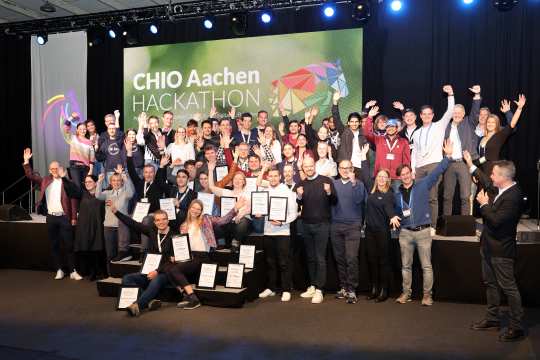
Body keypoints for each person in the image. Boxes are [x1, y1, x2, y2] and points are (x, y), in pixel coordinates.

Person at [462, 152, 525, 341]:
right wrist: (469, 164)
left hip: (501, 251)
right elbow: (485, 181)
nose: (491, 176)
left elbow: (496, 221)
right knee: (490, 284)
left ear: (504, 178)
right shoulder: (501, 190)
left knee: (509, 288)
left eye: (494, 174)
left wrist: (483, 205)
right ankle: (492, 319)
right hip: (489, 247)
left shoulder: (513, 196)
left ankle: (517, 327)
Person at [394, 139, 453, 306]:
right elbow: (393, 211)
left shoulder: (422, 185)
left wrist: (447, 157)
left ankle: (427, 296)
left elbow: (436, 173)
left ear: (411, 173)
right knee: (406, 266)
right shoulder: (396, 194)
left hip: (423, 232)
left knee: (426, 266)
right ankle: (406, 293)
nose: (405, 176)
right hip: (405, 233)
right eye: (402, 174)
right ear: (399, 177)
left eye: (407, 173)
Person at [22, 148, 82, 280]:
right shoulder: (45, 181)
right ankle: (59, 269)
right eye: (52, 169)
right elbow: (30, 175)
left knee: (69, 245)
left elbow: (74, 199)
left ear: (61, 169)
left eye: (57, 168)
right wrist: (26, 162)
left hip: (64, 217)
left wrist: (73, 217)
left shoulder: (67, 182)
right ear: (49, 171)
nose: (55, 171)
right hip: (51, 217)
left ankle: (72, 271)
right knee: (54, 245)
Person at [112, 209, 174, 317]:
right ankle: (149, 301)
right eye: (158, 220)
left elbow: (173, 262)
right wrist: (116, 212)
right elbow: (133, 224)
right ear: (154, 222)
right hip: (149, 270)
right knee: (127, 278)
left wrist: (157, 271)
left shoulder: (174, 236)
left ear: (168, 220)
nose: (161, 222)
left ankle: (138, 305)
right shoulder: (152, 231)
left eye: (164, 219)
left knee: (157, 279)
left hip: (165, 272)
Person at [411, 85, 455, 235]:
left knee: (431, 197)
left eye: (429, 114)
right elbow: (414, 152)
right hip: (419, 167)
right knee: (417, 197)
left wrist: (450, 95)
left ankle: (432, 226)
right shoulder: (416, 133)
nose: (427, 116)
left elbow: (450, 112)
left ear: (433, 115)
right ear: (421, 116)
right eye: (424, 114)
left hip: (434, 165)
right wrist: (412, 168)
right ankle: (419, 223)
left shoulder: (439, 126)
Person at [296, 157, 337, 304]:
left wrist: (328, 192)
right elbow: (299, 203)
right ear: (303, 168)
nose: (308, 168)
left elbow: (334, 201)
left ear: (315, 166)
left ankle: (320, 289)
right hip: (306, 225)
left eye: (310, 166)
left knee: (320, 258)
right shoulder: (300, 184)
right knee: (311, 258)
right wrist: (299, 196)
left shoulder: (326, 181)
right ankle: (313, 286)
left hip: (322, 225)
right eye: (305, 167)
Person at [256, 166, 298, 302]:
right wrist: (258, 213)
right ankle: (271, 288)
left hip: (283, 232)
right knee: (270, 262)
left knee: (284, 262)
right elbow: (261, 209)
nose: (273, 178)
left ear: (280, 177)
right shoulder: (264, 192)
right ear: (267, 178)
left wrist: (281, 222)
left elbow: (294, 214)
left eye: (275, 176)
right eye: (270, 176)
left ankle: (286, 289)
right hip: (268, 232)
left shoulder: (287, 192)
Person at [441, 85, 482, 215]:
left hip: (464, 164)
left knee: (465, 196)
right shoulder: (445, 126)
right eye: (455, 112)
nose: (457, 114)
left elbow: (475, 112)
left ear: (464, 114)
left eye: (459, 112)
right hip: (449, 164)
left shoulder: (468, 123)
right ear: (451, 114)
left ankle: (465, 225)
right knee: (447, 196)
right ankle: (445, 224)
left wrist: (476, 96)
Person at [330, 160, 367, 304]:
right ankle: (344, 287)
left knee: (351, 258)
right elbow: (329, 202)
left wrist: (353, 183)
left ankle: (352, 290)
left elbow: (359, 200)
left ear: (352, 169)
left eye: (348, 168)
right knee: (340, 259)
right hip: (336, 225)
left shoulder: (359, 184)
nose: (345, 170)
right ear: (339, 169)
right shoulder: (333, 184)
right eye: (343, 168)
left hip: (353, 226)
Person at [365, 169, 400, 303]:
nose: (381, 179)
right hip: (369, 231)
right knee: (372, 260)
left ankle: (384, 291)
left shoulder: (389, 194)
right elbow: (365, 173)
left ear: (388, 180)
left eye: (384, 177)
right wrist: (363, 159)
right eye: (379, 176)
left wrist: (392, 216)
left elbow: (389, 208)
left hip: (382, 232)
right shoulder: (371, 191)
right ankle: (374, 289)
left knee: (383, 262)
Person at [125, 143, 167, 252]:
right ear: (143, 173)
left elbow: (161, 173)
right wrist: (129, 152)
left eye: (151, 172)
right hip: (139, 212)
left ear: (154, 173)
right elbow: (131, 170)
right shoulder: (139, 183)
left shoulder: (158, 183)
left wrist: (161, 165)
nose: (148, 175)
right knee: (122, 220)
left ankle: (143, 251)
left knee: (146, 220)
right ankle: (123, 251)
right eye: (146, 172)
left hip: (153, 214)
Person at [65, 174, 106, 281]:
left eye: (90, 182)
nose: (87, 184)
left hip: (98, 226)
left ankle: (101, 271)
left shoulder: (102, 194)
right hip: (85, 227)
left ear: (96, 183)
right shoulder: (82, 194)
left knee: (98, 250)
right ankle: (92, 272)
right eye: (86, 182)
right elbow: (71, 190)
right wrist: (65, 178)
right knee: (87, 250)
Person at [476, 95, 526, 177]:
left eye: (493, 122)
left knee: (490, 190)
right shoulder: (482, 138)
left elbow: (512, 124)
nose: (490, 124)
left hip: (493, 172)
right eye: (488, 122)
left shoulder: (499, 136)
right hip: (481, 171)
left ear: (497, 124)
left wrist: (519, 108)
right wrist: (475, 171)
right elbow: (482, 158)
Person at [208, 160, 252, 251]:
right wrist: (210, 171)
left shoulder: (248, 194)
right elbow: (211, 187)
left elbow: (250, 208)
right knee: (215, 225)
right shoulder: (226, 192)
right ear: (232, 181)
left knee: (242, 223)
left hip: (240, 221)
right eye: (235, 178)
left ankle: (235, 242)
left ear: (244, 182)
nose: (237, 181)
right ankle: (221, 243)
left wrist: (240, 215)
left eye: (240, 179)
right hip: (227, 221)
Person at [95, 165, 135, 265]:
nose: (116, 182)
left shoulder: (126, 193)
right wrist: (99, 182)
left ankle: (119, 275)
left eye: (118, 180)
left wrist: (124, 176)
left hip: (122, 227)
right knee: (110, 253)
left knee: (121, 254)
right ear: (111, 182)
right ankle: (110, 275)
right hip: (108, 226)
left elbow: (131, 193)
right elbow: (98, 195)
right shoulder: (107, 193)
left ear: (121, 182)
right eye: (114, 180)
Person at [363, 109, 410, 192]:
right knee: (382, 199)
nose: (390, 129)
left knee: (397, 201)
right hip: (382, 177)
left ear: (396, 128)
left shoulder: (404, 142)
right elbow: (367, 133)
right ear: (386, 128)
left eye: (392, 127)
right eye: (388, 127)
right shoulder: (379, 139)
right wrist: (370, 117)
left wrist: (405, 175)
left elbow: (406, 160)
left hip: (397, 177)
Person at [332, 91, 371, 188]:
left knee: (359, 190)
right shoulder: (344, 131)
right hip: (346, 167)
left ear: (359, 123)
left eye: (356, 122)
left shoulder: (364, 133)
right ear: (348, 123)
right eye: (352, 122)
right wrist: (335, 102)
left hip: (360, 167)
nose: (354, 123)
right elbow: (336, 118)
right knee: (346, 190)